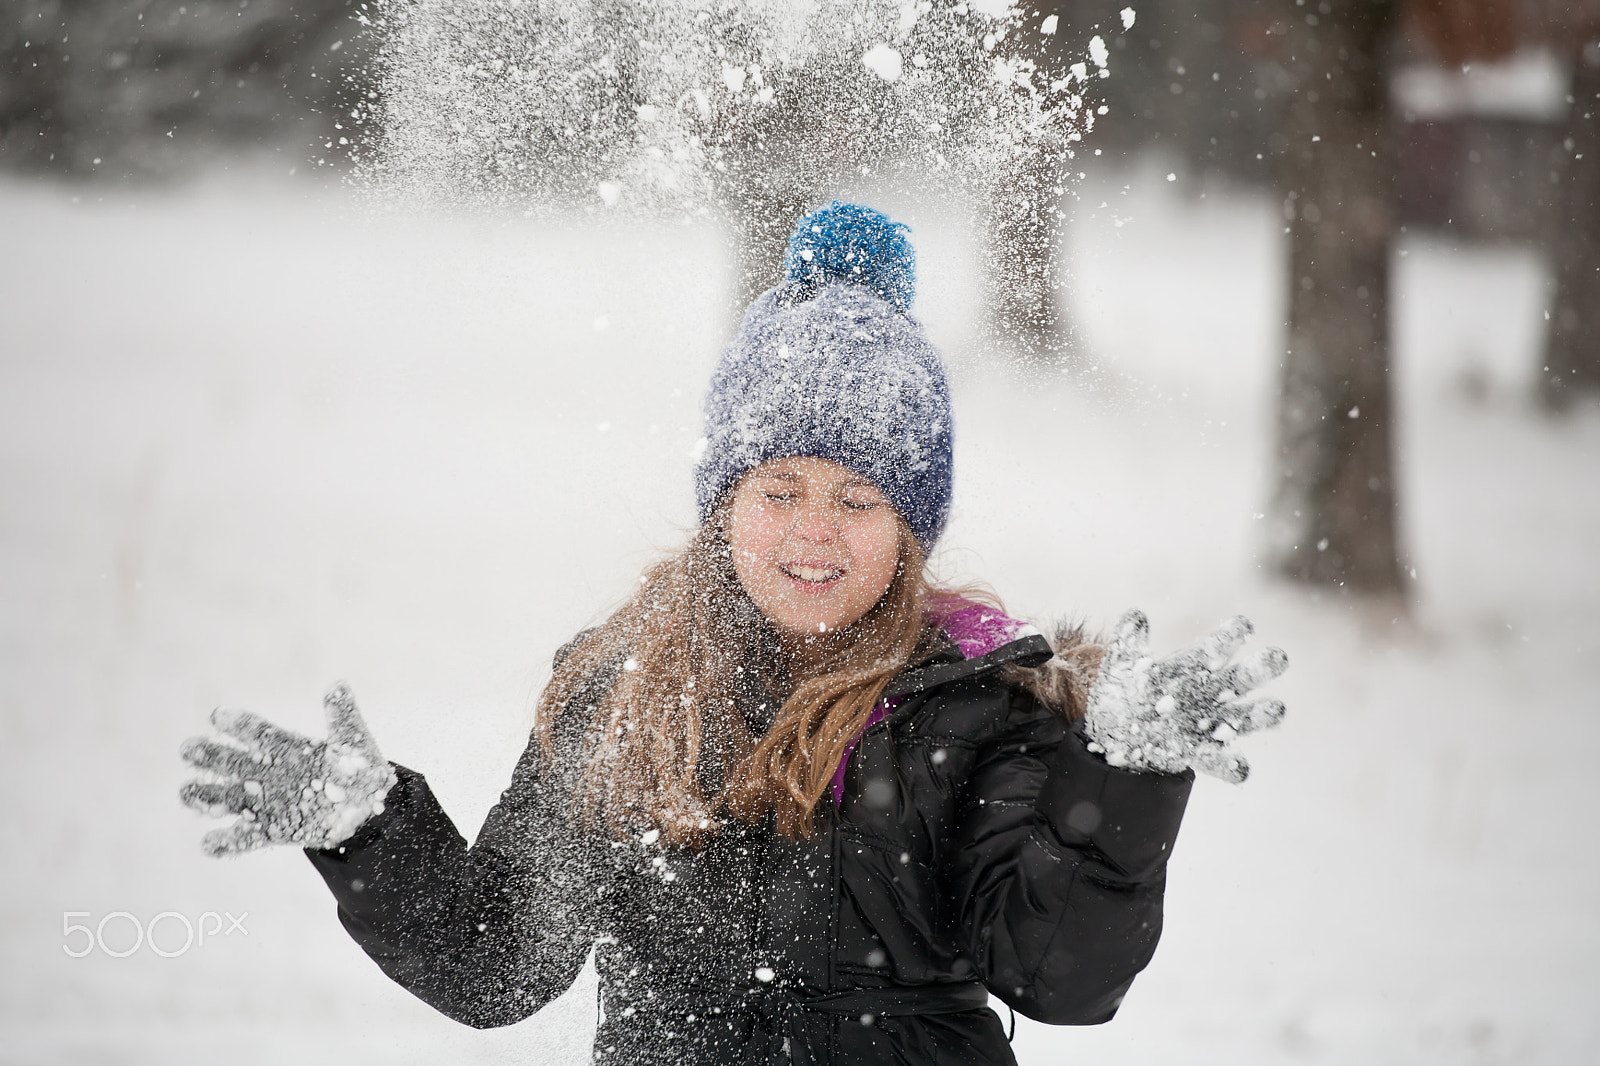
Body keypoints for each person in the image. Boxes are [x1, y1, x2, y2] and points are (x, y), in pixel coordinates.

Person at [179, 202, 1288, 1065]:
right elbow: (499, 958)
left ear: (909, 530)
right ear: (723, 503)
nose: (815, 533)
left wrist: (1131, 777)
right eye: (780, 490)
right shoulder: (623, 691)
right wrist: (370, 830)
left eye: (860, 502)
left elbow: (1061, 979)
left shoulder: (977, 705)